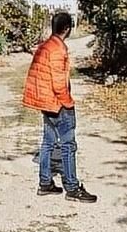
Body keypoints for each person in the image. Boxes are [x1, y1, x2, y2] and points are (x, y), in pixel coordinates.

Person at [22, 12, 97, 202]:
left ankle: (45, 183)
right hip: (57, 104)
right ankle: (72, 188)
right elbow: (58, 84)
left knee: (48, 142)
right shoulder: (58, 50)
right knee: (68, 146)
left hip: (46, 103)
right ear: (68, 29)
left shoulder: (45, 46)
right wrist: (68, 103)